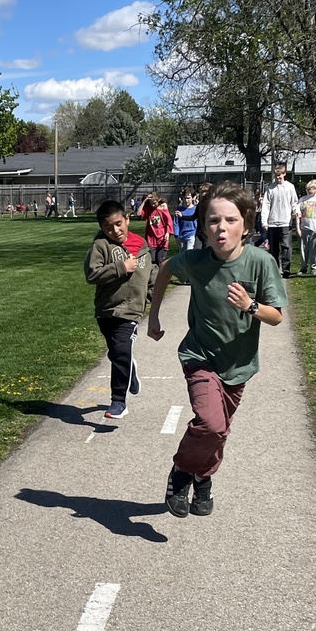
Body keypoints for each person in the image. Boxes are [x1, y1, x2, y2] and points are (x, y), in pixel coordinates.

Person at [147, 182, 288, 518]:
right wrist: (153, 315)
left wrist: (251, 305)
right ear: (203, 228)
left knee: (220, 430)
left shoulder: (261, 262)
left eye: (230, 220)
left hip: (238, 365)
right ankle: (182, 471)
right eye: (213, 221)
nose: (221, 228)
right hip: (199, 356)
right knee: (211, 424)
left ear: (247, 226)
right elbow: (165, 269)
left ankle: (203, 477)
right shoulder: (196, 261)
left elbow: (277, 316)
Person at [84, 199, 151, 420]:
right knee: (117, 353)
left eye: (118, 224)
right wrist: (122, 267)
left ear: (127, 219)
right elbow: (92, 274)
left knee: (121, 350)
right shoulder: (100, 246)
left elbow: (149, 274)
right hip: (106, 310)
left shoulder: (141, 245)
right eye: (108, 227)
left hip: (131, 310)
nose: (115, 230)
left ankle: (118, 402)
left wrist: (152, 296)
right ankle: (129, 367)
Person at [261, 164, 299, 277]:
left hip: (285, 222)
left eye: (280, 175)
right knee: (274, 248)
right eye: (276, 175)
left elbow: (294, 202)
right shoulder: (270, 188)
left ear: (284, 174)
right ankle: (275, 269)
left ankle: (286, 269)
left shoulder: (290, 187)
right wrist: (264, 222)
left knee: (286, 246)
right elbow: (266, 206)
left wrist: (296, 211)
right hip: (273, 222)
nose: (278, 177)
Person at [296, 180, 316, 276]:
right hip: (304, 228)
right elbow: (298, 214)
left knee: (314, 250)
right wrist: (298, 228)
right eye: (308, 189)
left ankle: (314, 268)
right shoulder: (302, 200)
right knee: (304, 250)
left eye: (312, 189)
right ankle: (303, 267)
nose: (310, 191)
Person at [173, 186, 197, 254]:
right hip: (182, 235)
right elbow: (176, 223)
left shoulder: (195, 209)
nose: (186, 200)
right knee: (182, 255)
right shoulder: (179, 209)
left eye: (188, 198)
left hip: (192, 234)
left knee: (189, 253)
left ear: (193, 198)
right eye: (185, 198)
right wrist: (176, 235)